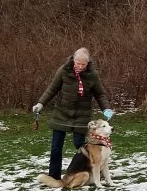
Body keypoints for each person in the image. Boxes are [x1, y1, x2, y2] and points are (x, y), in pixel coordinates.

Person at [32, 48, 113, 181]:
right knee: (56, 147)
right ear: (73, 60)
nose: (80, 66)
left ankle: (90, 172)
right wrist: (40, 104)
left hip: (82, 115)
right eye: (78, 63)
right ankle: (54, 175)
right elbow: (52, 89)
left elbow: (100, 94)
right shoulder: (64, 71)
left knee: (81, 146)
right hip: (61, 113)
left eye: (83, 64)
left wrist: (106, 109)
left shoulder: (92, 75)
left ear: (88, 63)